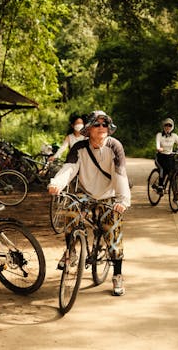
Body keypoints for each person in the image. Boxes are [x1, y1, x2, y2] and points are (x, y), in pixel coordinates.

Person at [48, 110, 131, 296]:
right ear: (88, 129)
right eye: (97, 124)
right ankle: (72, 251)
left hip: (108, 196)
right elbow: (69, 169)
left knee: (113, 230)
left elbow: (120, 174)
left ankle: (117, 275)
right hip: (85, 194)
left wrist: (122, 200)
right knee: (70, 212)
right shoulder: (79, 148)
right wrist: (56, 184)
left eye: (105, 124)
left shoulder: (115, 146)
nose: (102, 128)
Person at [155, 118, 178, 195]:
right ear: (163, 126)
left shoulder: (174, 136)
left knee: (172, 171)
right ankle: (160, 186)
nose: (168, 127)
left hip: (169, 158)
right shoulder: (159, 135)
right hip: (160, 157)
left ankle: (175, 191)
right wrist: (159, 148)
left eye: (169, 125)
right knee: (162, 169)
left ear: (172, 127)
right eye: (166, 125)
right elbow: (157, 143)